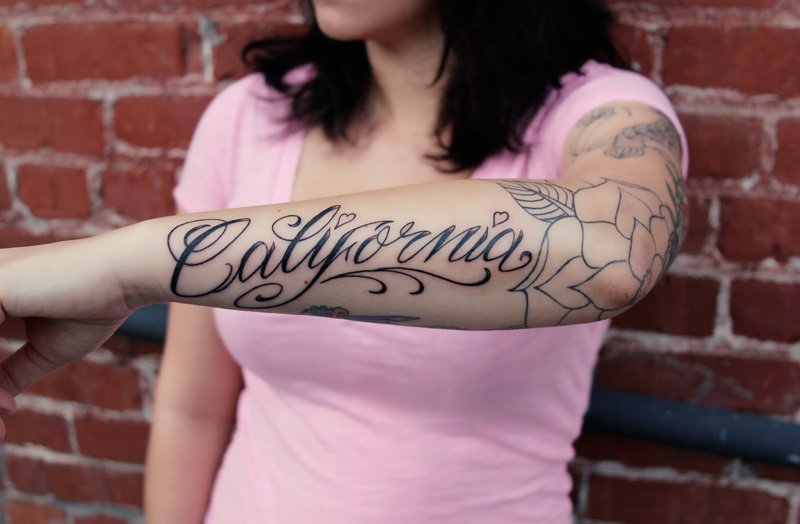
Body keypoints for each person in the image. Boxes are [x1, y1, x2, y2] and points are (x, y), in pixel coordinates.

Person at [0, 0, 688, 522]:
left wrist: (131, 267)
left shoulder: (603, 114)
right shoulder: (249, 116)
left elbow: (613, 251)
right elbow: (191, 407)